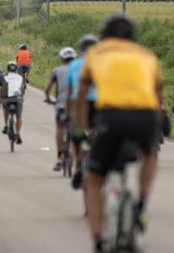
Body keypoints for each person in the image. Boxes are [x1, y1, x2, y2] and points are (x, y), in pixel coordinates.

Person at [75, 15, 162, 252]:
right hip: (144, 115)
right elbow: (158, 93)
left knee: (94, 179)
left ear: (104, 35)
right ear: (133, 37)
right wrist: (156, 126)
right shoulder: (146, 55)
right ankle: (142, 202)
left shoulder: (96, 53)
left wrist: (82, 127)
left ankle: (98, 240)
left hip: (111, 116)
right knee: (150, 154)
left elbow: (82, 95)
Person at [67, 34, 98, 190]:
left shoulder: (74, 65)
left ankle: (79, 165)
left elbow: (70, 92)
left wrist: (68, 113)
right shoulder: (104, 63)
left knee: (76, 136)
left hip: (80, 105)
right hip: (101, 105)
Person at [45, 47, 77, 171]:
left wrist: (48, 99)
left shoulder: (57, 71)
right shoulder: (79, 70)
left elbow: (48, 89)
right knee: (76, 131)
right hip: (76, 106)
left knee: (60, 128)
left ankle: (59, 157)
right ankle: (75, 158)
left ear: (62, 58)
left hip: (61, 105)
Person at [1, 62, 25, 144]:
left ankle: (6, 125)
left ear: (8, 69)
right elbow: (22, 88)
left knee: (5, 109)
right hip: (17, 99)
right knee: (19, 117)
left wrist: (0, 97)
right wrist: (22, 96)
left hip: (6, 99)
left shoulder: (5, 77)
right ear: (16, 69)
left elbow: (2, 88)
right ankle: (18, 134)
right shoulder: (20, 77)